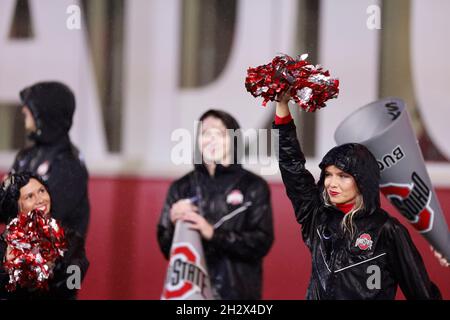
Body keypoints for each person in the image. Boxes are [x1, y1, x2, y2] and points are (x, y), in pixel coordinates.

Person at [272, 94, 441, 299]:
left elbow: (421, 291)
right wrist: (281, 107)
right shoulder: (316, 216)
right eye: (328, 175)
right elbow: (292, 167)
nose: (332, 183)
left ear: (362, 181)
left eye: (343, 176)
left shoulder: (386, 229)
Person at [157, 109, 274, 300]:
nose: (211, 139)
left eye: (219, 133)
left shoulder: (253, 186)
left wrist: (213, 233)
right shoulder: (181, 187)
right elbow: (166, 248)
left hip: (238, 294)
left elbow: (261, 243)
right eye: (205, 133)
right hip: (190, 292)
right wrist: (173, 222)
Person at [9, 81, 90, 238]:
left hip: (58, 259)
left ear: (45, 114)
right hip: (22, 256)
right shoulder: (26, 156)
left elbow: (43, 217)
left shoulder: (68, 164)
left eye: (31, 107)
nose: (24, 109)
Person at [0, 172, 89, 299]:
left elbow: (72, 284)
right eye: (29, 196)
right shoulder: (4, 245)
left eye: (42, 191)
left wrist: (52, 267)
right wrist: (8, 268)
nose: (40, 199)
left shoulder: (70, 239)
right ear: (16, 208)